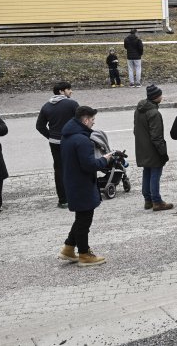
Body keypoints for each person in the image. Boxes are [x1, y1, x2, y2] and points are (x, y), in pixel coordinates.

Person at [58, 106, 113, 266]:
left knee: (80, 218)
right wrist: (105, 159)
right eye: (93, 120)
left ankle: (68, 248)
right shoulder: (82, 140)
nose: (94, 123)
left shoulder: (68, 136)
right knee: (84, 221)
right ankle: (84, 254)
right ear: (86, 120)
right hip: (82, 184)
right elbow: (89, 165)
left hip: (72, 181)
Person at [35, 81, 79, 209]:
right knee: (74, 167)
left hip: (54, 143)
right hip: (70, 142)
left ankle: (63, 200)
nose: (71, 91)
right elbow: (82, 121)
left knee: (59, 170)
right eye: (69, 89)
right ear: (61, 91)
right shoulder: (72, 104)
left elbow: (39, 126)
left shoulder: (46, 106)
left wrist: (51, 136)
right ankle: (75, 195)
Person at [134, 85, 172, 211]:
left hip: (142, 148)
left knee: (147, 172)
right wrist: (163, 152)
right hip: (153, 149)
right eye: (160, 95)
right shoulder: (154, 113)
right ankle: (157, 201)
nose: (162, 96)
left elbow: (136, 130)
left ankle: (148, 200)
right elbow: (157, 136)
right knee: (155, 173)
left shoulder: (139, 109)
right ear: (156, 97)